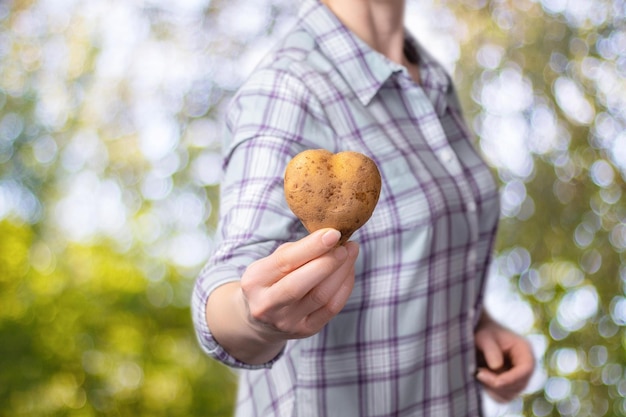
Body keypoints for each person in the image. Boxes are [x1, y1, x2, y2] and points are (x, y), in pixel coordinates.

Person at [191, 0, 535, 415]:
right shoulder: (288, 87)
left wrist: (475, 323)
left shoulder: (431, 79)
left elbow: (422, 248)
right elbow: (231, 278)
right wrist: (251, 318)